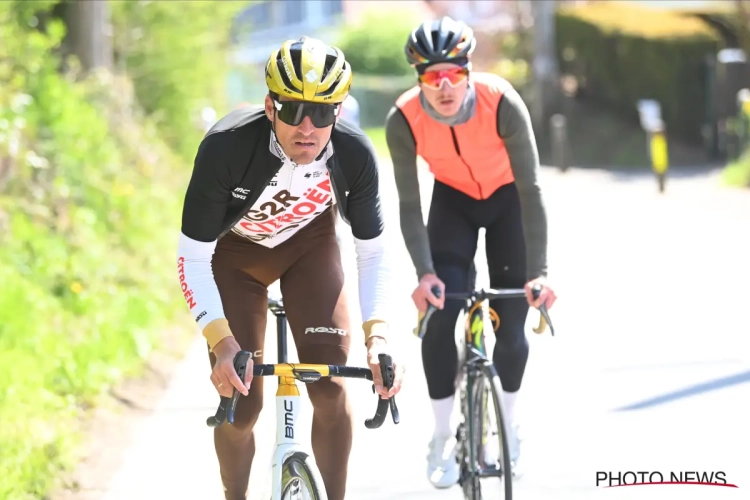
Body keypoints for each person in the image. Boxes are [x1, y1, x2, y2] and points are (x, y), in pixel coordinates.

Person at [177, 36, 403, 500]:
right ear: (269, 105)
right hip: (237, 259)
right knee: (242, 403)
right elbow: (192, 258)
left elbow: (373, 252)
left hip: (309, 250)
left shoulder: (355, 155)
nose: (307, 126)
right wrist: (220, 343)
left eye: (322, 112)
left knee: (329, 383)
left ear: (339, 112)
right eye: (293, 109)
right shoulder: (225, 149)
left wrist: (377, 338)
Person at [384, 16, 557, 488]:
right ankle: (441, 436)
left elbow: (533, 189)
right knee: (441, 314)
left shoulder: (501, 101)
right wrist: (424, 273)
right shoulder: (403, 119)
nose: (444, 86)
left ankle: (509, 427)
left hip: (508, 203)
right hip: (452, 204)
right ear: (418, 78)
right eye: (431, 76)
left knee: (513, 321)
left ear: (468, 69)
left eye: (453, 73)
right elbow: (407, 203)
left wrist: (539, 273)